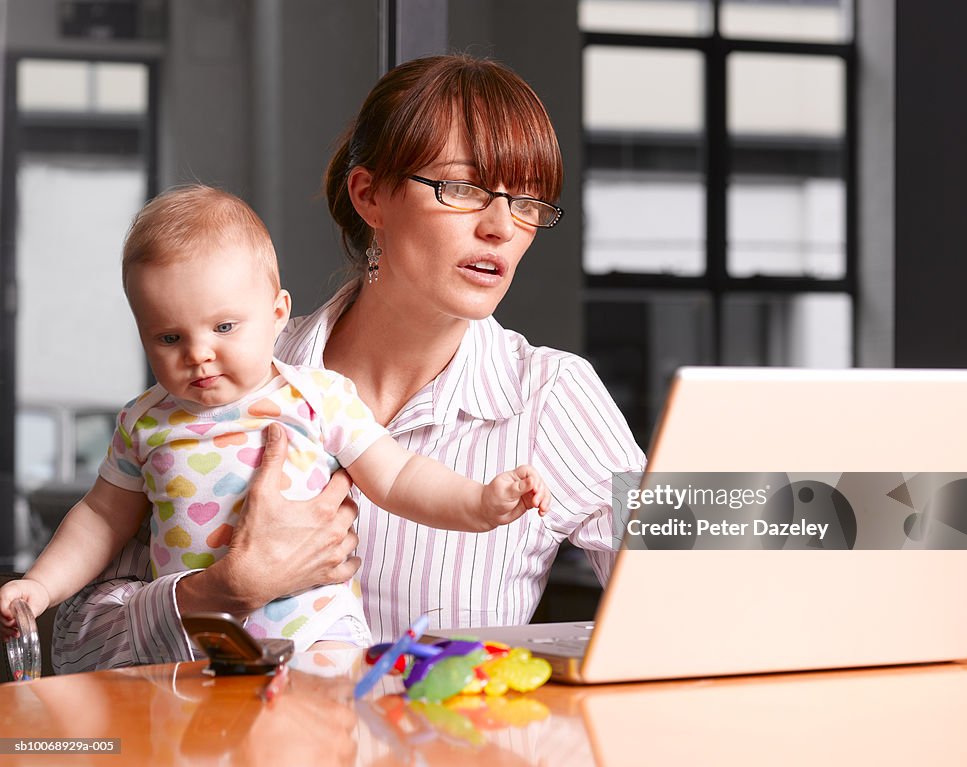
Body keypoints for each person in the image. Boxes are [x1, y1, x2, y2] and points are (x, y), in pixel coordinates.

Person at [50, 54, 646, 672]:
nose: (501, 226)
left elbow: (704, 587)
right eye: (464, 189)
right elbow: (70, 645)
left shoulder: (552, 394)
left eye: (526, 201)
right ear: (370, 196)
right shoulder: (225, 376)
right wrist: (221, 592)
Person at [0, 185, 549, 652]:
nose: (197, 354)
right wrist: (40, 587)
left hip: (319, 639)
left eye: (223, 328)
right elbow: (99, 520)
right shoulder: (144, 423)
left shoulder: (318, 397)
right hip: (198, 650)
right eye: (169, 338)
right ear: (369, 196)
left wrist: (481, 502)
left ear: (277, 313)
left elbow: (401, 477)